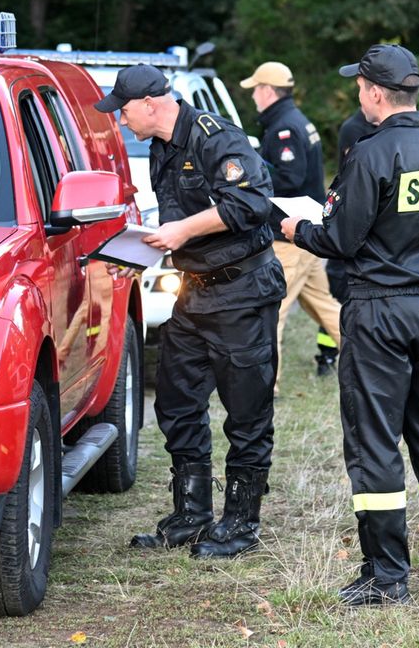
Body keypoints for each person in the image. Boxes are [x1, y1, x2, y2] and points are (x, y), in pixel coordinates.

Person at [280, 44, 419, 606]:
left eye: (358, 87)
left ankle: (387, 575)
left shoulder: (370, 153)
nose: (357, 96)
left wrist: (297, 230)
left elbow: (340, 239)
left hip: (378, 310)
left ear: (373, 92)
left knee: (373, 441)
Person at [95, 64, 286, 559]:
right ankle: (190, 516)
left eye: (124, 110)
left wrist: (182, 232)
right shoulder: (162, 148)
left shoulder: (215, 137)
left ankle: (240, 524)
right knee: (177, 402)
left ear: (152, 104)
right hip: (194, 293)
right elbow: (174, 217)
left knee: (246, 412)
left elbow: (251, 201)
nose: (121, 120)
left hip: (242, 292)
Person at [240, 61, 342, 390]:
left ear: (268, 91)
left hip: (290, 236)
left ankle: (267, 387)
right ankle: (380, 359)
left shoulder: (284, 127)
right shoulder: (293, 120)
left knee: (274, 310)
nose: (254, 95)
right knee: (326, 308)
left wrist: (252, 170)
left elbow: (289, 177)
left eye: (256, 89)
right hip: (307, 232)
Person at [324, 108, 377, 306]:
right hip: (349, 212)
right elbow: (356, 177)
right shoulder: (353, 128)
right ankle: (334, 335)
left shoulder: (391, 126)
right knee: (339, 281)